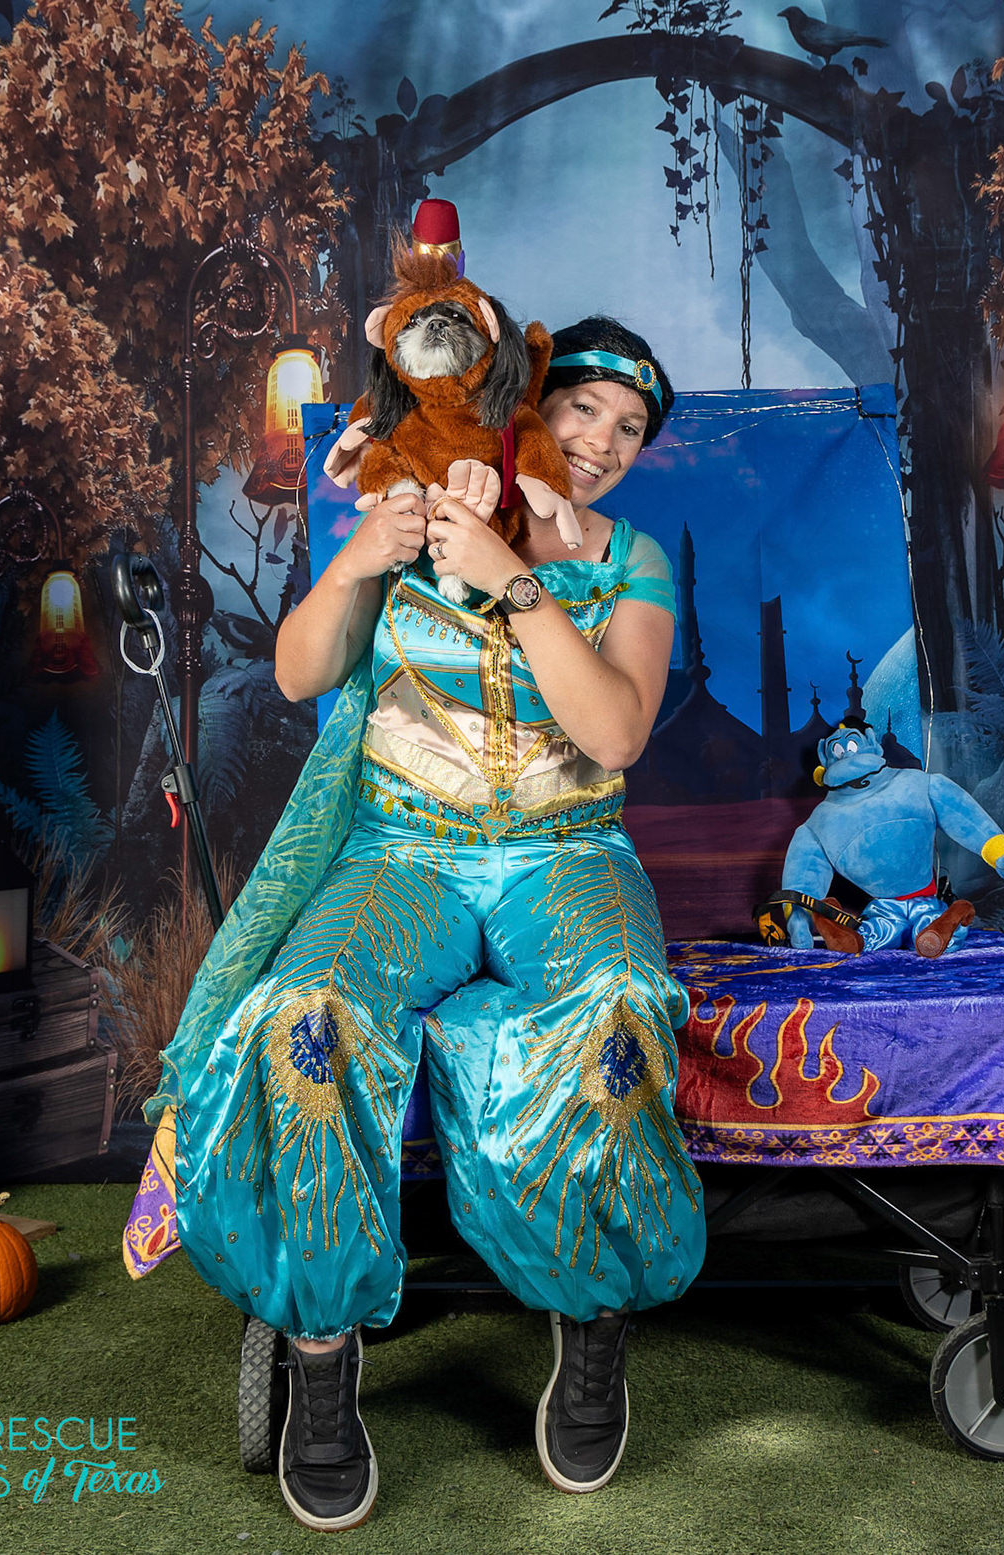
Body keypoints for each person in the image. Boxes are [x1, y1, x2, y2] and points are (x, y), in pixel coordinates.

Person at [153, 316, 705, 1530]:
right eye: (584, 410)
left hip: (567, 854)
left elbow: (615, 733)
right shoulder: (410, 505)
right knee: (307, 1015)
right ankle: (323, 1356)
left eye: (629, 429)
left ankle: (591, 1318)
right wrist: (359, 557)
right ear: (529, 402)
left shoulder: (634, 559)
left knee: (618, 1012)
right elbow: (301, 674)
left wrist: (516, 581)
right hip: (404, 853)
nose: (603, 442)